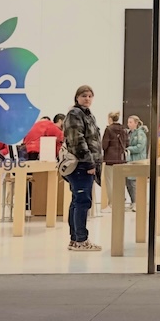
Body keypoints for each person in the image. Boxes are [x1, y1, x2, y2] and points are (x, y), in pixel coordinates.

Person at [62, 85, 102, 251]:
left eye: (90, 96)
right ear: (77, 97)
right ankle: (81, 240)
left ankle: (75, 239)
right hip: (81, 165)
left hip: (85, 164)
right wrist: (88, 163)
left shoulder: (88, 115)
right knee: (82, 202)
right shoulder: (75, 114)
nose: (87, 99)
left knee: (77, 201)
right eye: (84, 95)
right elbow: (77, 140)